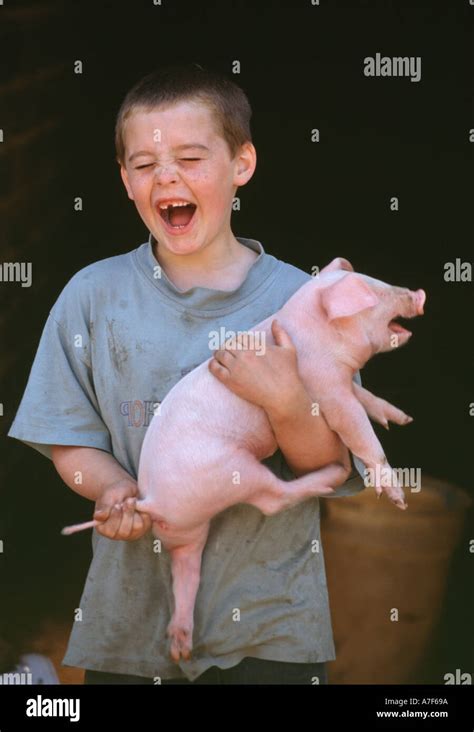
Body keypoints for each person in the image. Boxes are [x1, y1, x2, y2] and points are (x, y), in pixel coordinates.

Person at [8, 64, 364, 685]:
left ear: (242, 165)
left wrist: (285, 405)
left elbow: (327, 469)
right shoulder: (93, 297)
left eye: (191, 158)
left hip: (270, 626)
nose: (166, 176)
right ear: (124, 180)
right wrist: (112, 487)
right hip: (132, 624)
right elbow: (68, 436)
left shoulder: (304, 300)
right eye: (144, 166)